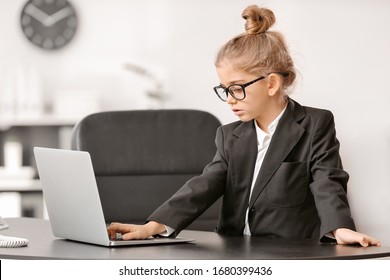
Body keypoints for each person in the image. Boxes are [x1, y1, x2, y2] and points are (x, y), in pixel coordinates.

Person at [107, 5, 380, 247]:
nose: (228, 99)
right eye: (224, 89)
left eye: (236, 89)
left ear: (271, 83)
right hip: (235, 251)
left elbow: (327, 180)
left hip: (290, 252)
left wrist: (339, 227)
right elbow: (204, 186)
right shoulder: (229, 135)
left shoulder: (316, 123)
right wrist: (153, 226)